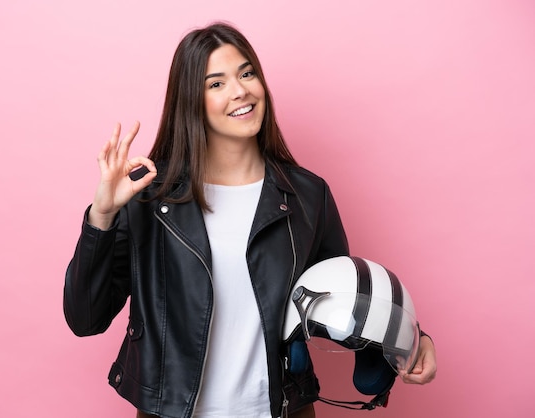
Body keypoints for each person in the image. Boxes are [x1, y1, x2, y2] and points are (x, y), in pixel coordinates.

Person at [63, 22, 436, 418]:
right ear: (190, 100)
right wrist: (102, 215)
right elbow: (85, 319)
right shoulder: (148, 195)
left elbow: (347, 297)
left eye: (246, 73)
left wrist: (412, 340)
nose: (240, 91)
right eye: (216, 83)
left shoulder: (307, 196)